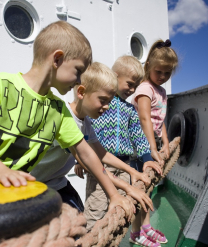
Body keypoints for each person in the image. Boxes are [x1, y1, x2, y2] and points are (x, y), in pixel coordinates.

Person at [0, 21, 134, 221]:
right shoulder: (3, 85)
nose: (78, 81)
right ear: (57, 59)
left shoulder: (58, 110)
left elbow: (87, 153)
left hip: (6, 186)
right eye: (78, 71)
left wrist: (114, 195)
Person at [30, 62, 154, 217]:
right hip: (34, 184)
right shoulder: (65, 119)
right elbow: (91, 163)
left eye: (109, 101)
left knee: (79, 221)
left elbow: (102, 154)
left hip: (55, 182)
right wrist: (127, 189)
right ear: (81, 93)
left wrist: (131, 171)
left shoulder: (86, 122)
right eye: (103, 100)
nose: (107, 107)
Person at [80, 55, 163, 247]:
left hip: (124, 165)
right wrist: (79, 160)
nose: (133, 90)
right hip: (101, 165)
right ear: (115, 76)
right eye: (130, 84)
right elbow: (85, 140)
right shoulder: (98, 106)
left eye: (136, 86)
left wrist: (147, 159)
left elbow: (138, 135)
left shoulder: (129, 109)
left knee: (121, 208)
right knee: (97, 207)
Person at [130, 39, 179, 245]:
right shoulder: (145, 89)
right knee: (141, 187)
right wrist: (151, 148)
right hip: (140, 145)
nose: (163, 77)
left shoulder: (161, 91)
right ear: (148, 66)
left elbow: (161, 120)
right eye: (159, 71)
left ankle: (146, 228)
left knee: (149, 188)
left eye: (168, 73)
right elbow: (145, 119)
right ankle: (135, 233)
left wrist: (165, 142)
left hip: (153, 143)